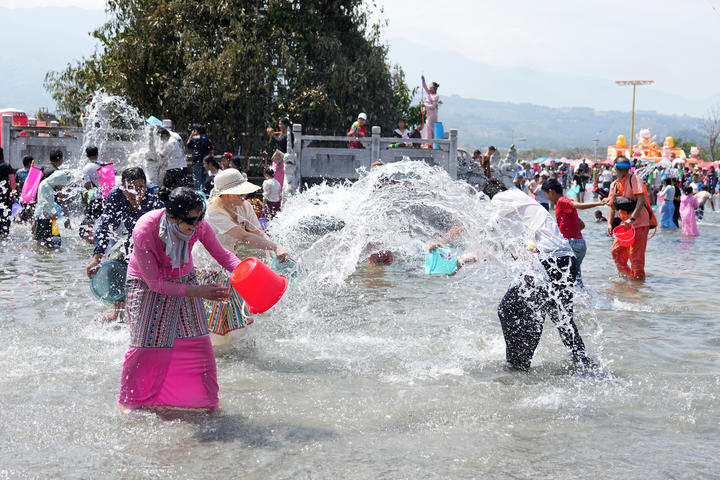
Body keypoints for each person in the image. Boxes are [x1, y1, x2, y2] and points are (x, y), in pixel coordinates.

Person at [118, 187, 242, 409]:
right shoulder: (145, 230)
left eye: (199, 219)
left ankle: (205, 404)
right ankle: (131, 404)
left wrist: (247, 273)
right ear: (172, 217)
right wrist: (199, 291)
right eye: (191, 221)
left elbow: (223, 255)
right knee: (146, 347)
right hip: (146, 284)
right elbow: (155, 284)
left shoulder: (199, 225)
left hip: (184, 278)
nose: (196, 226)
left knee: (198, 344)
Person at [459, 180, 593, 371]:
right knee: (561, 317)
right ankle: (584, 364)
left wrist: (449, 234)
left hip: (546, 261)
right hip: (565, 260)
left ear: (488, 198)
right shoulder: (517, 210)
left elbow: (482, 224)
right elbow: (491, 249)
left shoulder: (503, 197)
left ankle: (518, 366)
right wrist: (460, 261)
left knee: (508, 309)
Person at [193, 169, 288, 345]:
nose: (244, 195)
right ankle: (213, 348)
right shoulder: (213, 212)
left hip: (230, 265)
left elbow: (258, 233)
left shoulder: (245, 206)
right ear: (226, 194)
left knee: (235, 310)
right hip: (208, 267)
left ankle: (238, 346)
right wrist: (275, 247)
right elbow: (244, 236)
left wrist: (275, 251)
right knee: (212, 313)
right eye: (239, 192)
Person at [542, 179, 605, 287]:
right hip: (580, 244)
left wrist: (600, 203)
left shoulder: (562, 201)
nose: (546, 198)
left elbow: (578, 205)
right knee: (576, 277)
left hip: (571, 244)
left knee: (564, 276)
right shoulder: (566, 209)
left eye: (546, 195)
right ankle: (582, 295)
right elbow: (582, 225)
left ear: (552, 192)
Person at [606, 156, 655, 280]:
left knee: (635, 256)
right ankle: (628, 278)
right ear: (615, 168)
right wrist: (609, 224)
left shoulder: (634, 179)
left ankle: (637, 284)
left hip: (639, 222)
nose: (623, 170)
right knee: (616, 251)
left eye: (626, 167)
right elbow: (611, 206)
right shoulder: (613, 185)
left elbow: (641, 200)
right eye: (620, 167)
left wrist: (631, 219)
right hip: (625, 224)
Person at [33, 171, 69, 247]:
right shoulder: (46, 186)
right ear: (57, 181)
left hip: (44, 216)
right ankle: (41, 253)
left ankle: (42, 253)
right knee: (43, 241)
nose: (61, 188)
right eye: (61, 185)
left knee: (45, 241)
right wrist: (54, 214)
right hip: (44, 217)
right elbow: (46, 203)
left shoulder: (46, 184)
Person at [79, 146, 106, 243]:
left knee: (86, 226)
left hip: (95, 199)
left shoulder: (87, 168)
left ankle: (93, 242)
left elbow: (87, 185)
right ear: (97, 154)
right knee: (100, 222)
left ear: (86, 155)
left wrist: (85, 195)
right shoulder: (104, 165)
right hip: (105, 198)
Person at [0, 147, 16, 236]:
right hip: (5, 197)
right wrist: (14, 195)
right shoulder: (6, 166)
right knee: (5, 219)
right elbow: (12, 181)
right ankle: (4, 235)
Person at [421, 75, 440, 140]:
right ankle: (429, 140)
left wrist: (425, 105)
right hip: (429, 113)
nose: (429, 88)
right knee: (428, 126)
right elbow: (425, 87)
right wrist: (423, 80)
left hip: (433, 114)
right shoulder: (430, 94)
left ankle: (430, 141)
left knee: (430, 126)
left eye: (430, 88)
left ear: (434, 89)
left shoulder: (436, 96)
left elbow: (433, 106)